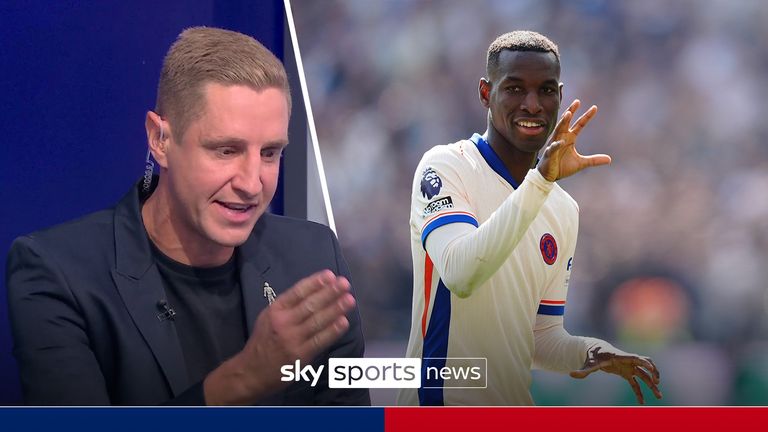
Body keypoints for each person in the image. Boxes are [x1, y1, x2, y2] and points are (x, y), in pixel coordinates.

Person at [6, 27, 369, 406]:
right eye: (226, 150)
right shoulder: (57, 273)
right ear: (160, 139)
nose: (251, 183)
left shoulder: (313, 258)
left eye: (270, 153)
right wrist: (245, 377)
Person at [398, 31, 662, 406]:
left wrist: (593, 352)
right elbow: (460, 273)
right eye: (515, 89)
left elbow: (540, 337)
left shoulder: (562, 208)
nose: (533, 105)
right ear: (486, 93)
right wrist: (540, 181)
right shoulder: (446, 166)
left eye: (546, 90)